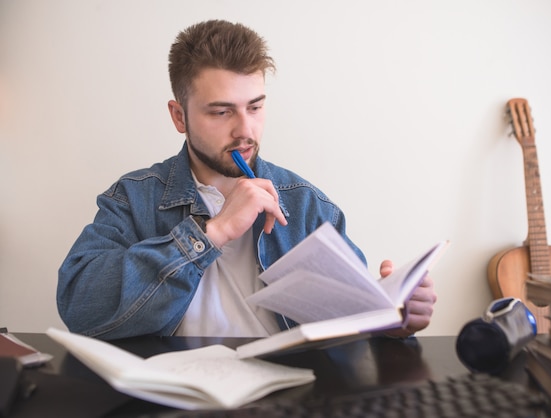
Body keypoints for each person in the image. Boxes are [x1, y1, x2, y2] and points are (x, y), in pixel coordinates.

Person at [57, 19, 436, 340]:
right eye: (222, 112)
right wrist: (211, 233)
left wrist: (394, 319)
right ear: (179, 117)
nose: (245, 130)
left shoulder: (307, 206)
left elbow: (355, 324)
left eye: (255, 107)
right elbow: (79, 306)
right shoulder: (133, 198)